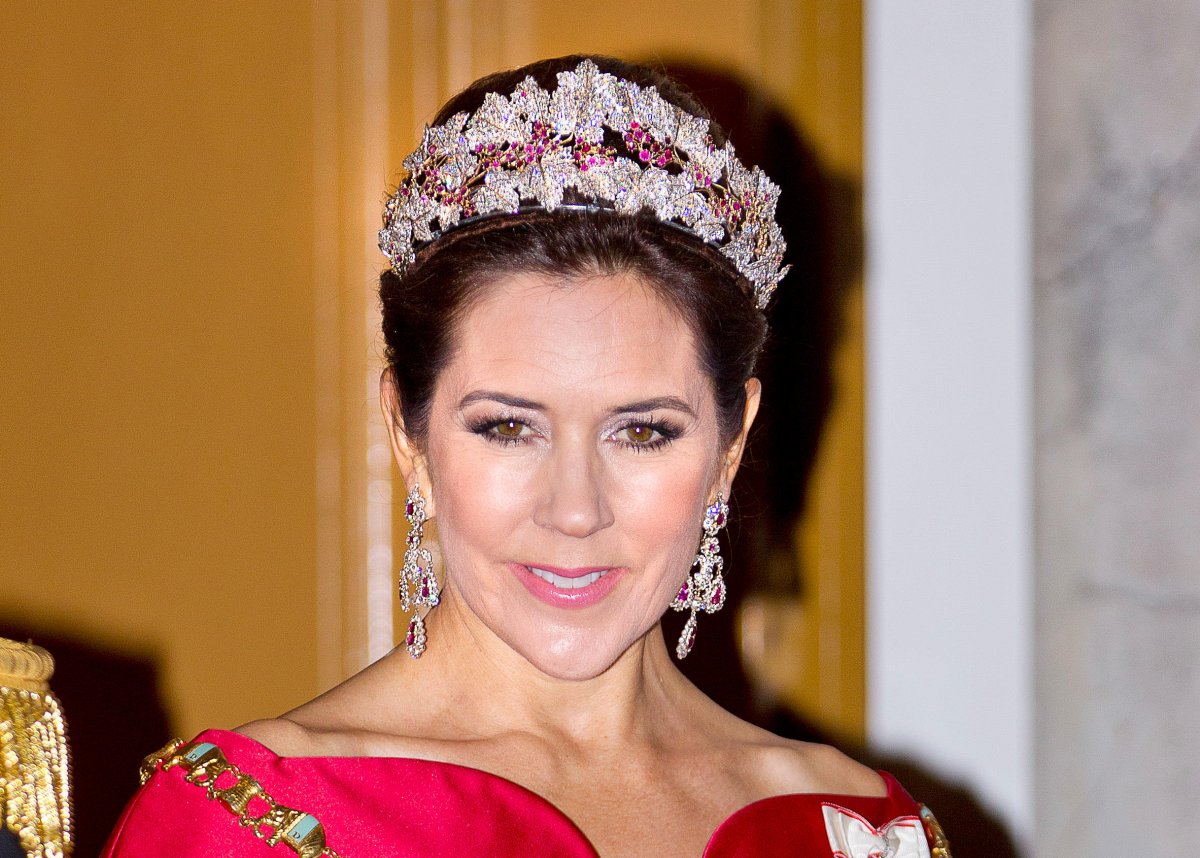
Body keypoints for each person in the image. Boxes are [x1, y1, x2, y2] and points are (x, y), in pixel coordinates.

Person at [103, 55, 950, 858]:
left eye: (643, 431)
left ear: (731, 444)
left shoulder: (855, 829)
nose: (574, 509)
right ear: (409, 433)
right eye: (509, 428)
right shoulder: (257, 825)